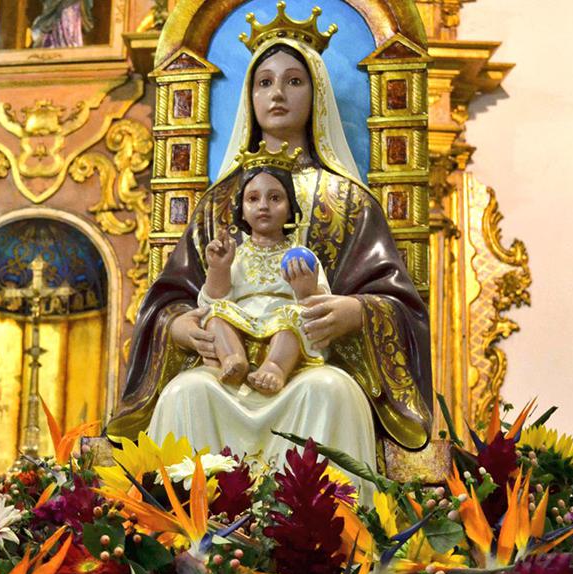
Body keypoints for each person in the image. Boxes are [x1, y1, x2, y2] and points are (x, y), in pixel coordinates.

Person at [107, 7, 432, 500]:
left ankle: (324, 529)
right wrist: (179, 327)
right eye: (264, 82)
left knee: (333, 393)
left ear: (315, 93)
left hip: (308, 368)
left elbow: (401, 305)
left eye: (293, 81)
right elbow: (171, 297)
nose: (277, 93)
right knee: (184, 392)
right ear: (250, 96)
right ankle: (189, 527)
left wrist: (354, 312)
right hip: (224, 369)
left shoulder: (349, 201)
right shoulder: (218, 202)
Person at [200, 146, 329, 395]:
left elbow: (321, 304)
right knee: (216, 314)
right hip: (242, 332)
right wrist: (218, 268)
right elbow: (214, 300)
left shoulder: (301, 255)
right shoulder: (235, 254)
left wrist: (306, 291)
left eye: (275, 198)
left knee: (296, 315)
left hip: (285, 337)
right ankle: (233, 358)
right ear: (241, 209)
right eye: (253, 199)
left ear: (290, 208)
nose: (263, 206)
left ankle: (275, 367)